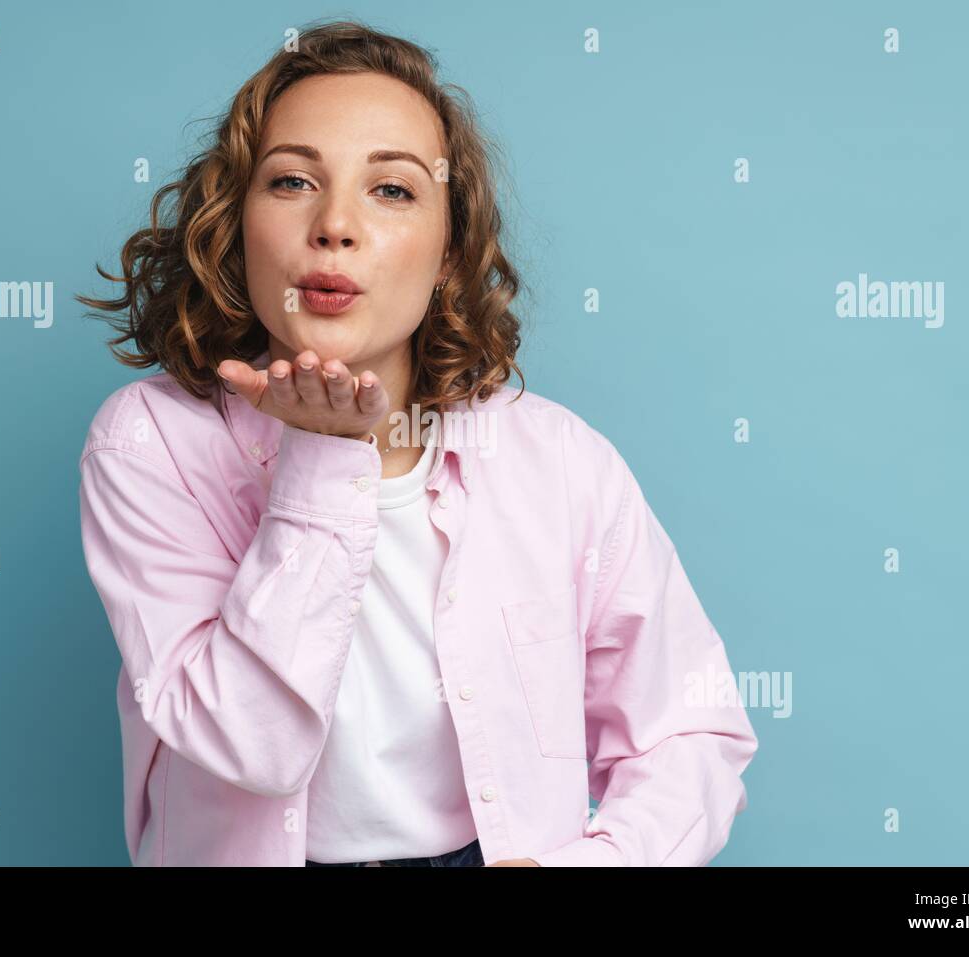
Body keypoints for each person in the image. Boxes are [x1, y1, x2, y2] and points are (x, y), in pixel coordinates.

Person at [76, 17, 758, 867]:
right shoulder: (149, 443)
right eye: (291, 181)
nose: (335, 225)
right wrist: (323, 457)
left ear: (448, 250)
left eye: (392, 190)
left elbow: (691, 727)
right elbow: (250, 746)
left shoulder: (562, 464)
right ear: (235, 222)